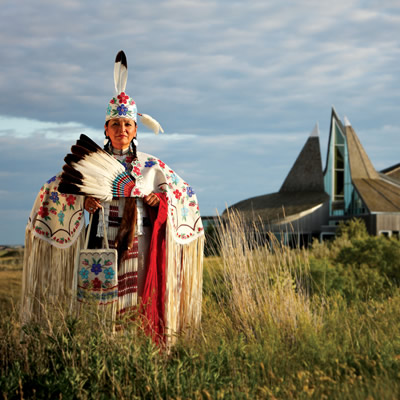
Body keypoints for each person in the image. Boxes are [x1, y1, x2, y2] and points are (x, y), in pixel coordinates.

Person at [21, 51, 204, 345]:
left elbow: (185, 194)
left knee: (138, 298)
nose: (122, 130)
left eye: (127, 125)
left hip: (139, 242)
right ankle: (104, 351)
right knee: (102, 303)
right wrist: (84, 203)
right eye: (115, 125)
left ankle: (138, 349)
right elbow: (54, 190)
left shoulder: (151, 166)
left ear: (135, 131)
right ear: (106, 129)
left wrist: (160, 202)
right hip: (101, 242)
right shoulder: (94, 162)